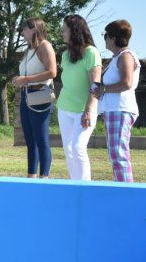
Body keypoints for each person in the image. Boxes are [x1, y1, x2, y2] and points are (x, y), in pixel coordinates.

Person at [56, 14, 102, 180]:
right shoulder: (65, 55)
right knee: (68, 149)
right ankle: (74, 185)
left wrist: (89, 110)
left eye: (65, 29)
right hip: (64, 108)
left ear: (74, 31)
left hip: (84, 110)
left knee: (77, 147)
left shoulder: (91, 53)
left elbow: (95, 84)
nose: (62, 32)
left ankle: (85, 187)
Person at [95, 20, 140, 182]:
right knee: (115, 152)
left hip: (120, 109)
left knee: (118, 152)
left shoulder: (125, 56)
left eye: (105, 35)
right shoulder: (117, 57)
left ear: (113, 38)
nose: (104, 39)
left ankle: (126, 191)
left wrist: (104, 90)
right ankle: (122, 186)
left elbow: (126, 83)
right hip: (114, 110)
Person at [12, 18, 58, 178]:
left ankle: (44, 177)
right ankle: (31, 177)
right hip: (26, 96)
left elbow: (52, 72)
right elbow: (29, 72)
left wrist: (26, 79)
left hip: (40, 96)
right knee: (30, 140)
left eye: (24, 29)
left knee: (41, 139)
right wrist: (20, 79)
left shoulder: (45, 46)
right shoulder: (29, 49)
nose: (22, 32)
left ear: (33, 29)